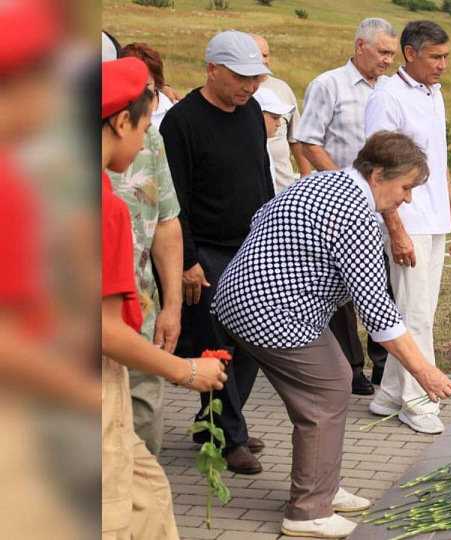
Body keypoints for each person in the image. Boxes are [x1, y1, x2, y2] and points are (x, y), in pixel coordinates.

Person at [213, 131, 451, 539]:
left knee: (330, 385)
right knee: (327, 389)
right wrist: (424, 372)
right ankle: (307, 511)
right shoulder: (358, 216)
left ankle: (321, 485)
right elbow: (377, 311)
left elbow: (260, 219)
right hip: (272, 311)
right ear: (378, 174)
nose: (408, 199)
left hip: (241, 296)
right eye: (406, 188)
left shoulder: (323, 181)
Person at [102, 56, 227, 540]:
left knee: (148, 493)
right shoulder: (105, 208)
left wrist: (170, 305)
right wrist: (185, 370)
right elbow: (102, 329)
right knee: (117, 507)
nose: (147, 142)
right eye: (146, 125)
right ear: (120, 120)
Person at [160, 30, 274, 475]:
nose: (251, 86)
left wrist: (270, 237)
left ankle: (219, 425)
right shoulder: (182, 121)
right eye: (242, 77)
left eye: (256, 77)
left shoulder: (252, 113)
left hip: (250, 245)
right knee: (216, 344)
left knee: (255, 340)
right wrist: (187, 260)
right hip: (204, 251)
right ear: (213, 69)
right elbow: (174, 200)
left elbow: (262, 178)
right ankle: (229, 438)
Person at [364, 20, 451, 434]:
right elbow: (377, 169)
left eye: (446, 57)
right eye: (435, 57)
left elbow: (436, 163)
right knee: (415, 314)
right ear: (410, 53)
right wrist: (396, 229)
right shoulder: (387, 96)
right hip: (406, 219)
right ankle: (417, 399)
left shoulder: (433, 93)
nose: (443, 65)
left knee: (422, 310)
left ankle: (389, 393)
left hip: (434, 219)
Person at [295, 17, 399, 395]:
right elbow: (308, 141)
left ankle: (384, 364)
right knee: (339, 290)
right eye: (382, 52)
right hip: (341, 205)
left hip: (384, 206)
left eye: (392, 52)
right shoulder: (329, 84)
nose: (388, 60)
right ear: (360, 45)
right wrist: (346, 184)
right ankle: (349, 367)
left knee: (382, 285)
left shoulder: (390, 89)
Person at [106, 42, 185, 457]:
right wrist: (188, 371)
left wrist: (172, 305)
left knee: (142, 451)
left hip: (141, 316)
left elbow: (166, 221)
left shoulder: (149, 137)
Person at [250, 34, 312, 192]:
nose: (265, 61)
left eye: (266, 55)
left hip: (284, 189)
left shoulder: (282, 89)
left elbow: (296, 138)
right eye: (259, 56)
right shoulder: (238, 93)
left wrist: (305, 173)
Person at [253, 87, 295, 186]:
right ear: (256, 114)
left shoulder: (264, 145)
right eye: (274, 118)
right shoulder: (249, 149)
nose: (279, 124)